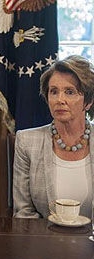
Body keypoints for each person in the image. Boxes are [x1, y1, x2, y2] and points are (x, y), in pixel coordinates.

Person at [13, 55, 94, 218]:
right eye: (54, 92)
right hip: (45, 239)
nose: (60, 100)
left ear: (88, 101)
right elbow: (23, 212)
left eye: (69, 92)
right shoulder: (26, 142)